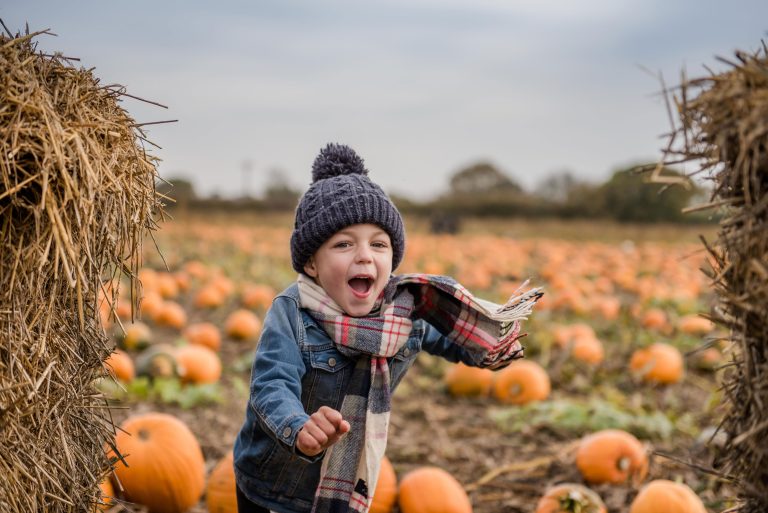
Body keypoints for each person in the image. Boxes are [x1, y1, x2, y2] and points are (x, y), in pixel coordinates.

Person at [233, 143, 541, 513]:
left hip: (340, 488)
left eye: (378, 244)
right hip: (272, 486)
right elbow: (271, 384)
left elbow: (453, 340)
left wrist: (491, 341)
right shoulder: (292, 312)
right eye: (344, 244)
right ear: (312, 264)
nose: (364, 255)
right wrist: (298, 427)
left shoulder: (404, 311)